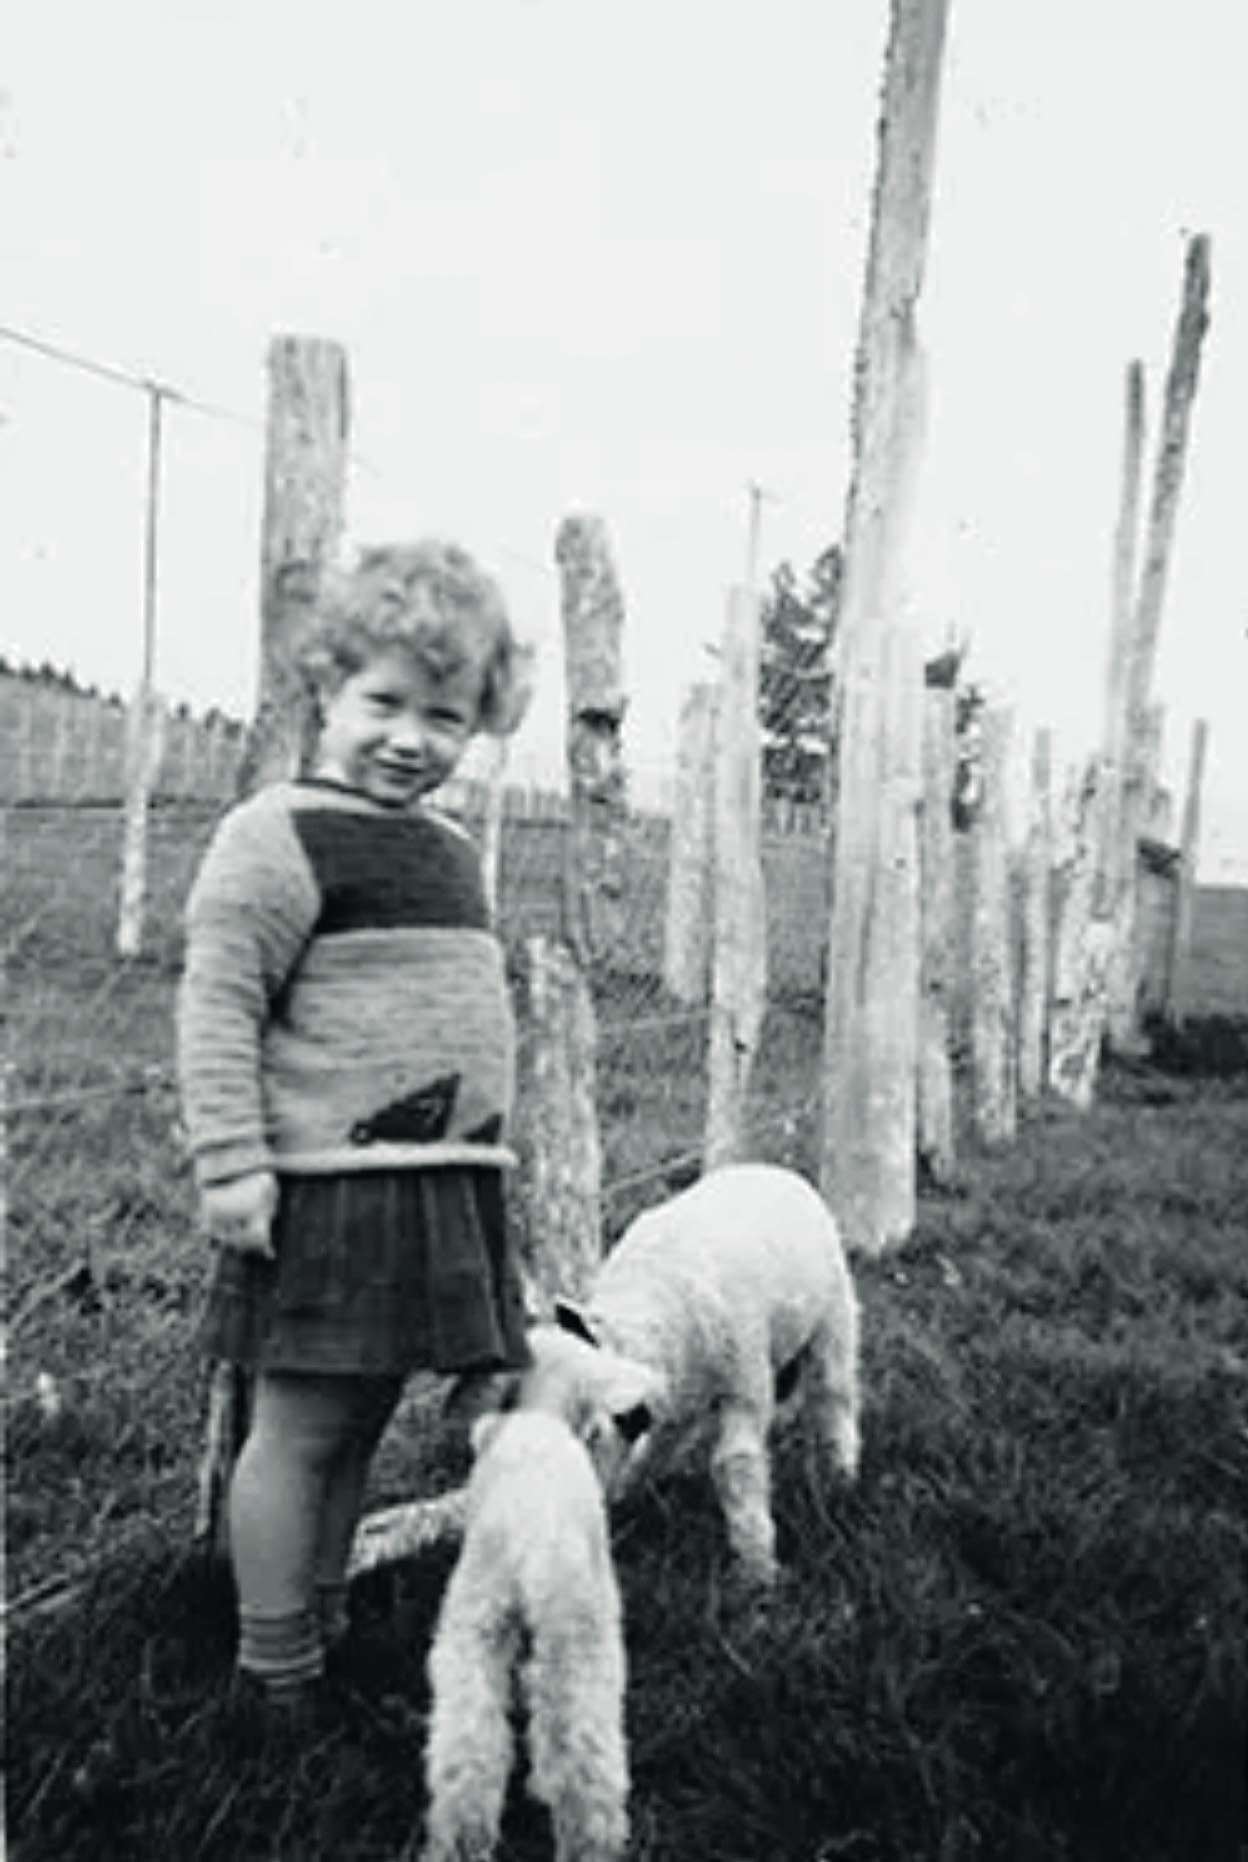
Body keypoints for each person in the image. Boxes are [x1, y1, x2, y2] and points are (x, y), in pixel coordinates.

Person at [176, 539, 534, 1722]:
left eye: (444, 714)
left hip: (433, 1184)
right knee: (299, 1424)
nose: (409, 737)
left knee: (365, 1415)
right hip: (328, 1188)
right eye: (381, 700)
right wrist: (230, 1159)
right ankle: (273, 1673)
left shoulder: (449, 846)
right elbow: (220, 998)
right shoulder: (276, 833)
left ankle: (327, 1619)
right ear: (326, 687)